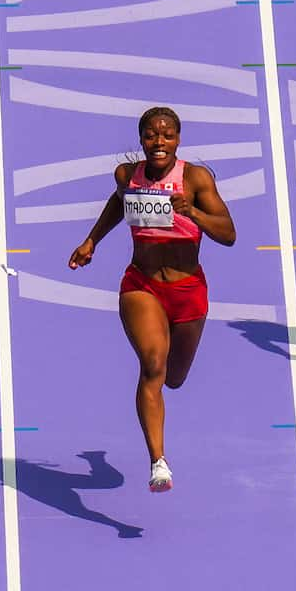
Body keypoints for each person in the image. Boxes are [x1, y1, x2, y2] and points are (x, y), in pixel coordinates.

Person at [68, 107, 235, 492]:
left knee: (174, 378)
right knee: (153, 365)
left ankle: (121, 456)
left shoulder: (195, 179)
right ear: (141, 138)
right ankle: (158, 461)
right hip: (142, 285)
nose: (159, 143)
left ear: (178, 139)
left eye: (167, 135)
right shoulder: (128, 176)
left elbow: (228, 234)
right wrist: (92, 240)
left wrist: (192, 212)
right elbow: (118, 201)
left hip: (188, 291)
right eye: (151, 135)